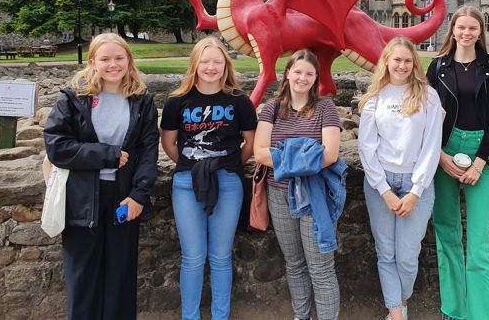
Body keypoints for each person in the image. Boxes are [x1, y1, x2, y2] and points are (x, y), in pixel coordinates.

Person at [44, 33, 159, 320]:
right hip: (82, 197)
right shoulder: (72, 98)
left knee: (120, 275)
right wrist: (106, 154)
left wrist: (139, 195)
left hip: (123, 196)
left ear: (129, 60)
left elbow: (148, 151)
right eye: (105, 59)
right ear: (93, 62)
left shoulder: (142, 100)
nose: (113, 64)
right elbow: (57, 146)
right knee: (82, 276)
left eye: (119, 58)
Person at [160, 36, 257, 320]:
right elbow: (169, 144)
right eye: (205, 61)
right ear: (195, 64)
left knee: (220, 256)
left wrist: (228, 165)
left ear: (226, 65)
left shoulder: (239, 101)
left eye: (217, 61)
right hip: (187, 183)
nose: (211, 67)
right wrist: (193, 165)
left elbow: (250, 143)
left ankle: (220, 316)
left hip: (227, 182)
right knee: (192, 257)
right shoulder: (177, 102)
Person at [425, 5, 489, 320]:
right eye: (461, 27)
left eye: (472, 28)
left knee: (479, 242)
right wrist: (440, 157)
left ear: (480, 32)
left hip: (479, 152)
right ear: (453, 30)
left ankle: (483, 314)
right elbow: (428, 120)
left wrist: (480, 163)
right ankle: (454, 310)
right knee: (447, 235)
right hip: (445, 150)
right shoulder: (438, 67)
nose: (466, 33)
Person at [358, 37, 443, 320]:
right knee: (386, 253)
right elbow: (367, 149)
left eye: (408, 60)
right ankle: (396, 314)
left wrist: (416, 191)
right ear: (386, 61)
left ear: (414, 64)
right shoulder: (375, 98)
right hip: (380, 184)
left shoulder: (428, 96)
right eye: (397, 59)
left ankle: (402, 300)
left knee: (406, 256)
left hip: (415, 183)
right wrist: (384, 190)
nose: (402, 65)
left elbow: (431, 146)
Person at [254, 49, 342, 320]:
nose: (302, 77)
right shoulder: (271, 108)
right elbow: (259, 152)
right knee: (294, 264)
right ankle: (300, 316)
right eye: (298, 71)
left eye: (309, 73)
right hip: (279, 194)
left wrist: (281, 154)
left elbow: (330, 154)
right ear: (288, 73)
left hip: (314, 195)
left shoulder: (325, 107)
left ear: (316, 78)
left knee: (321, 267)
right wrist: (306, 153)